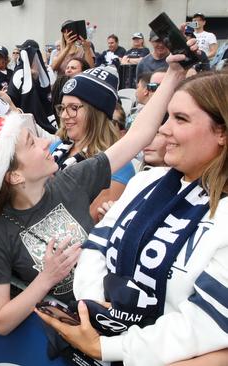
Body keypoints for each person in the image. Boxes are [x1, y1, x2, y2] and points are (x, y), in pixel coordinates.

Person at [38, 47, 228, 366]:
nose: (163, 130)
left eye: (180, 119)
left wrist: (110, 345)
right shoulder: (146, 181)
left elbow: (204, 324)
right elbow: (96, 248)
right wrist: (95, 311)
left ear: (221, 131)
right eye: (165, 116)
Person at [0, 63, 166, 335]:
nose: (44, 143)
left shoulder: (72, 180)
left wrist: (174, 77)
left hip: (127, 323)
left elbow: (138, 137)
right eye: (31, 143)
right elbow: (0, 321)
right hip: (75, 344)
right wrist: (46, 279)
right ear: (14, 177)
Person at [50, 66, 135, 222]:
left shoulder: (118, 164)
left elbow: (86, 221)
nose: (63, 115)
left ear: (96, 113)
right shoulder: (55, 148)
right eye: (62, 108)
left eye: (73, 108)